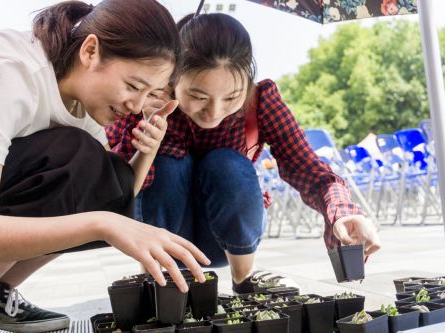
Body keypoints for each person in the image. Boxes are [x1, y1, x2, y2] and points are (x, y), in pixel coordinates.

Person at [0, 1, 211, 332]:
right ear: (90, 51)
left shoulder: (78, 103)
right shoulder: (8, 73)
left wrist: (147, 150)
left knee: (94, 168)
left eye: (149, 94)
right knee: (73, 154)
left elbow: (110, 193)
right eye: (132, 86)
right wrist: (100, 224)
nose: (137, 106)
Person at [107, 13, 381, 295]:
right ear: (173, 77)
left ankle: (244, 277)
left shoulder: (260, 103)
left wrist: (342, 213)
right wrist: (144, 129)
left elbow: (308, 168)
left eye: (230, 98)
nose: (214, 112)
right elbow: (116, 187)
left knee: (226, 163)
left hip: (226, 239)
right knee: (166, 162)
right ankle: (156, 280)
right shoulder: (146, 98)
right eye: (199, 96)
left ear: (247, 84)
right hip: (160, 238)